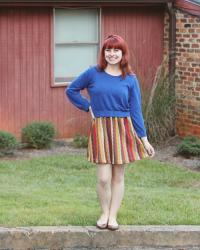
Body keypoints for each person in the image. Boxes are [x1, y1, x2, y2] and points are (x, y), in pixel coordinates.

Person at [65, 34, 155, 231]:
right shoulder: (93, 73)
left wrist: (144, 139)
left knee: (118, 176)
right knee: (103, 178)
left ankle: (113, 216)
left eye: (116, 50)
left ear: (123, 53)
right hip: (101, 129)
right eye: (108, 50)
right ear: (103, 52)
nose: (112, 54)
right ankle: (104, 212)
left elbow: (136, 110)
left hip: (123, 129)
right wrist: (87, 106)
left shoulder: (130, 79)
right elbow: (71, 90)